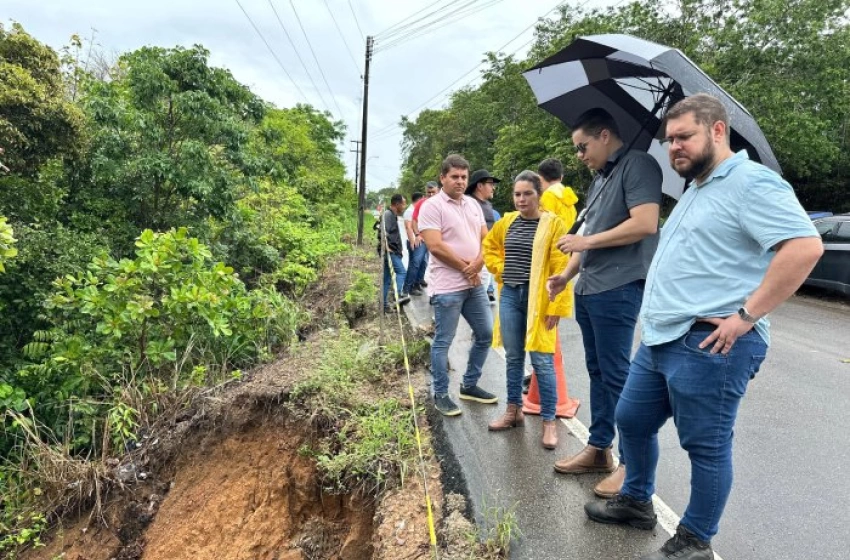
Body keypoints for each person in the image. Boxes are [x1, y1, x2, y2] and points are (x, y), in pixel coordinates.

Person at [582, 94, 823, 560]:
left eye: (684, 136)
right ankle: (636, 501)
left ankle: (695, 538)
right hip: (661, 338)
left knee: (705, 446)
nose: (675, 148)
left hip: (709, 343)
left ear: (717, 131)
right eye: (670, 139)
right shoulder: (696, 188)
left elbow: (804, 247)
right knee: (630, 420)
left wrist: (746, 316)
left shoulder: (751, 182)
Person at [547, 108, 663, 499]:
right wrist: (565, 276)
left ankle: (632, 466)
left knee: (618, 375)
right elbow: (589, 234)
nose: (579, 156)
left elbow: (645, 222)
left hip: (619, 287)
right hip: (590, 288)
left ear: (604, 135)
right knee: (598, 371)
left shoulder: (638, 165)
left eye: (582, 147)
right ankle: (599, 448)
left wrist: (586, 242)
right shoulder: (601, 179)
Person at [483, 171, 570, 449]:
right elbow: (490, 247)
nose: (521, 199)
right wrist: (500, 269)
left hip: (539, 301)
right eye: (517, 194)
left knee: (542, 361)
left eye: (527, 193)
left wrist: (556, 305)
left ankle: (548, 421)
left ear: (538, 194)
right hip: (510, 294)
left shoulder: (553, 225)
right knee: (513, 357)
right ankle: (514, 410)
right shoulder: (506, 222)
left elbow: (562, 266)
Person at [419, 155, 497, 416]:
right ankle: (441, 393)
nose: (460, 181)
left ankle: (470, 385)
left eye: (464, 177)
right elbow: (435, 246)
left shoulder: (473, 205)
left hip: (474, 284)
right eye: (455, 177)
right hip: (448, 286)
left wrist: (477, 265)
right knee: (444, 341)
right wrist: (468, 268)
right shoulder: (433, 206)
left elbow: (487, 240)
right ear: (443, 178)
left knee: (486, 333)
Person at [528, 157, 579, 394]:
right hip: (567, 259)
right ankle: (546, 371)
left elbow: (542, 231)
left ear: (540, 178)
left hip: (548, 261)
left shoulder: (547, 198)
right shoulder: (570, 200)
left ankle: (542, 376)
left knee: (540, 324)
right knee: (549, 325)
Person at [466, 169, 501, 302]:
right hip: (475, 259)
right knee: (475, 300)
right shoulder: (469, 204)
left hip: (484, 257)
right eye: (490, 184)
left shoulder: (485, 204)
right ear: (480, 186)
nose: (493, 187)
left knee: (477, 300)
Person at [379, 193, 411, 313]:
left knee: (387, 278)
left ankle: (384, 305)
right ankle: (397, 296)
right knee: (402, 272)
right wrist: (386, 247)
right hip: (390, 252)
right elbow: (382, 231)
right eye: (403, 203)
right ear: (397, 204)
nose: (404, 206)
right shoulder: (388, 215)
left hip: (393, 251)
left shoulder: (392, 215)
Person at [411, 180, 440, 290]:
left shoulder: (443, 203)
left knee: (436, 266)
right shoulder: (421, 203)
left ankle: (436, 291)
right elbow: (414, 220)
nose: (431, 195)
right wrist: (417, 234)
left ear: (438, 190)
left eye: (433, 192)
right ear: (425, 192)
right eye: (429, 192)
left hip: (438, 240)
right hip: (423, 239)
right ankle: (413, 285)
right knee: (417, 262)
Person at [402, 192, 426, 296]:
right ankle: (408, 288)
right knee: (415, 265)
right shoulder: (409, 211)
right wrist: (412, 242)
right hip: (415, 242)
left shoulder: (418, 210)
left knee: (422, 264)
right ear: (419, 200)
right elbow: (408, 227)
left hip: (421, 241)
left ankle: (417, 283)